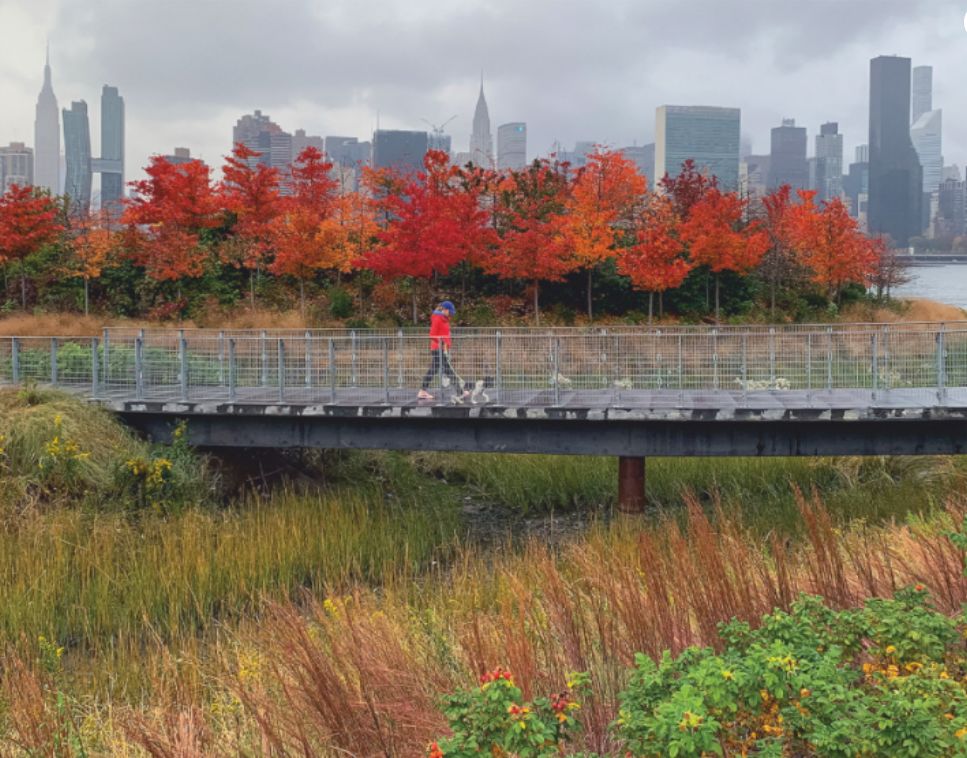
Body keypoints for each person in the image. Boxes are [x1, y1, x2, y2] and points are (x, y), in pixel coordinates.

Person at [418, 300, 468, 400]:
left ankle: (423, 391)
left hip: (441, 349)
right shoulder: (438, 318)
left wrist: (446, 344)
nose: (451, 315)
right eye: (450, 312)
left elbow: (444, 333)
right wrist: (442, 343)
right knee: (448, 370)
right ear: (445, 310)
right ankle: (460, 391)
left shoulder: (443, 318)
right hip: (438, 349)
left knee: (434, 369)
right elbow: (432, 334)